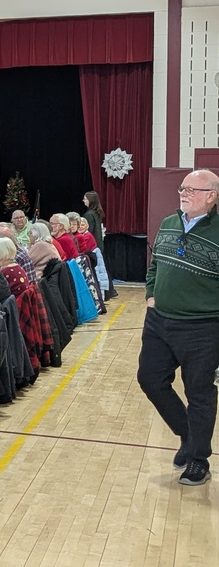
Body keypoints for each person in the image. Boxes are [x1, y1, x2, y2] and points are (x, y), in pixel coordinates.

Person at [138, 170, 219, 486]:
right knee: (149, 379)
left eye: (191, 189)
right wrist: (150, 294)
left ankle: (198, 460)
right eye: (182, 187)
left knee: (198, 391)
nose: (183, 193)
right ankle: (187, 432)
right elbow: (155, 263)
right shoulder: (168, 224)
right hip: (159, 321)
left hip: (202, 327)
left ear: (211, 195)